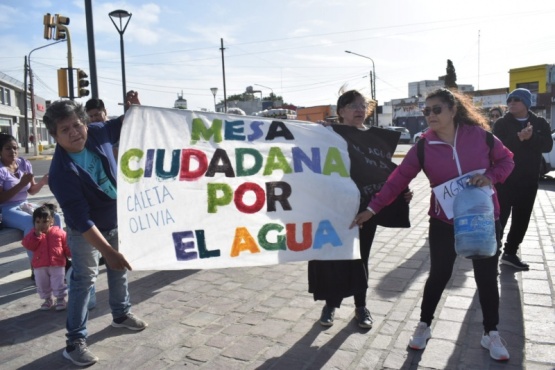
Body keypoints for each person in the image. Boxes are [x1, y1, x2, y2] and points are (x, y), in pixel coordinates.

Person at [352, 88, 514, 361]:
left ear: (453, 110)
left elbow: (507, 160)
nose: (430, 115)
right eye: (426, 111)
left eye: (436, 109)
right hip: (443, 221)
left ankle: (491, 332)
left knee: (486, 277)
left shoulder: (481, 137)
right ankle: (424, 325)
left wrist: (490, 176)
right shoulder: (423, 147)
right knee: (439, 274)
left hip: (483, 219)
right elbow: (398, 180)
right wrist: (372, 208)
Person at [43, 91, 147, 367]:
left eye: (77, 124)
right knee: (84, 281)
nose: (74, 132)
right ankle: (74, 342)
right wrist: (108, 252)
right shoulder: (61, 173)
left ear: (84, 122)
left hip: (115, 219)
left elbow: (126, 123)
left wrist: (134, 109)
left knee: (118, 270)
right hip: (85, 232)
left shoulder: (97, 132)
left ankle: (120, 315)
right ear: (55, 136)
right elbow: (82, 220)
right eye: (65, 130)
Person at [308, 89, 411, 329]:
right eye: (353, 105)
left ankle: (360, 306)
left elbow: (386, 172)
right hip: (335, 207)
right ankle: (331, 305)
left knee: (361, 257)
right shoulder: (328, 134)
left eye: (363, 105)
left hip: (366, 209)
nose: (359, 109)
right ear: (340, 111)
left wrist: (400, 191)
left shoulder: (377, 139)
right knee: (336, 255)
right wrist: (319, 132)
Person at [493, 88, 553, 271]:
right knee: (499, 219)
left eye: (516, 99)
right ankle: (492, 253)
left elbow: (548, 145)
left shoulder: (539, 122)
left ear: (526, 103)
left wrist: (532, 137)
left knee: (522, 219)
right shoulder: (502, 123)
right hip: (504, 180)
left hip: (528, 181)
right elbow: (497, 146)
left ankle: (510, 253)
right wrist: (519, 138)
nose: (511, 102)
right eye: (509, 99)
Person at [0, 133, 62, 278]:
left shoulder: (23, 163)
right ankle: (37, 268)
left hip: (24, 204)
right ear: (0, 151)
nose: (13, 152)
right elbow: (1, 199)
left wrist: (42, 182)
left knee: (55, 217)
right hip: (7, 209)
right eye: (8, 148)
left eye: (15, 148)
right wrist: (21, 183)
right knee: (31, 223)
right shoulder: (1, 170)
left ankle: (57, 260)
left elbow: (31, 190)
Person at [22, 203, 71, 311]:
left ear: (52, 221)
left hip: (57, 263)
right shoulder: (32, 234)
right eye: (38, 222)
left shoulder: (59, 232)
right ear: (34, 223)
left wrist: (72, 254)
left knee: (58, 282)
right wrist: (36, 236)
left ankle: (60, 298)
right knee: (42, 283)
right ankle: (47, 299)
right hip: (39, 265)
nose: (41, 225)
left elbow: (67, 245)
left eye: (45, 221)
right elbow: (28, 245)